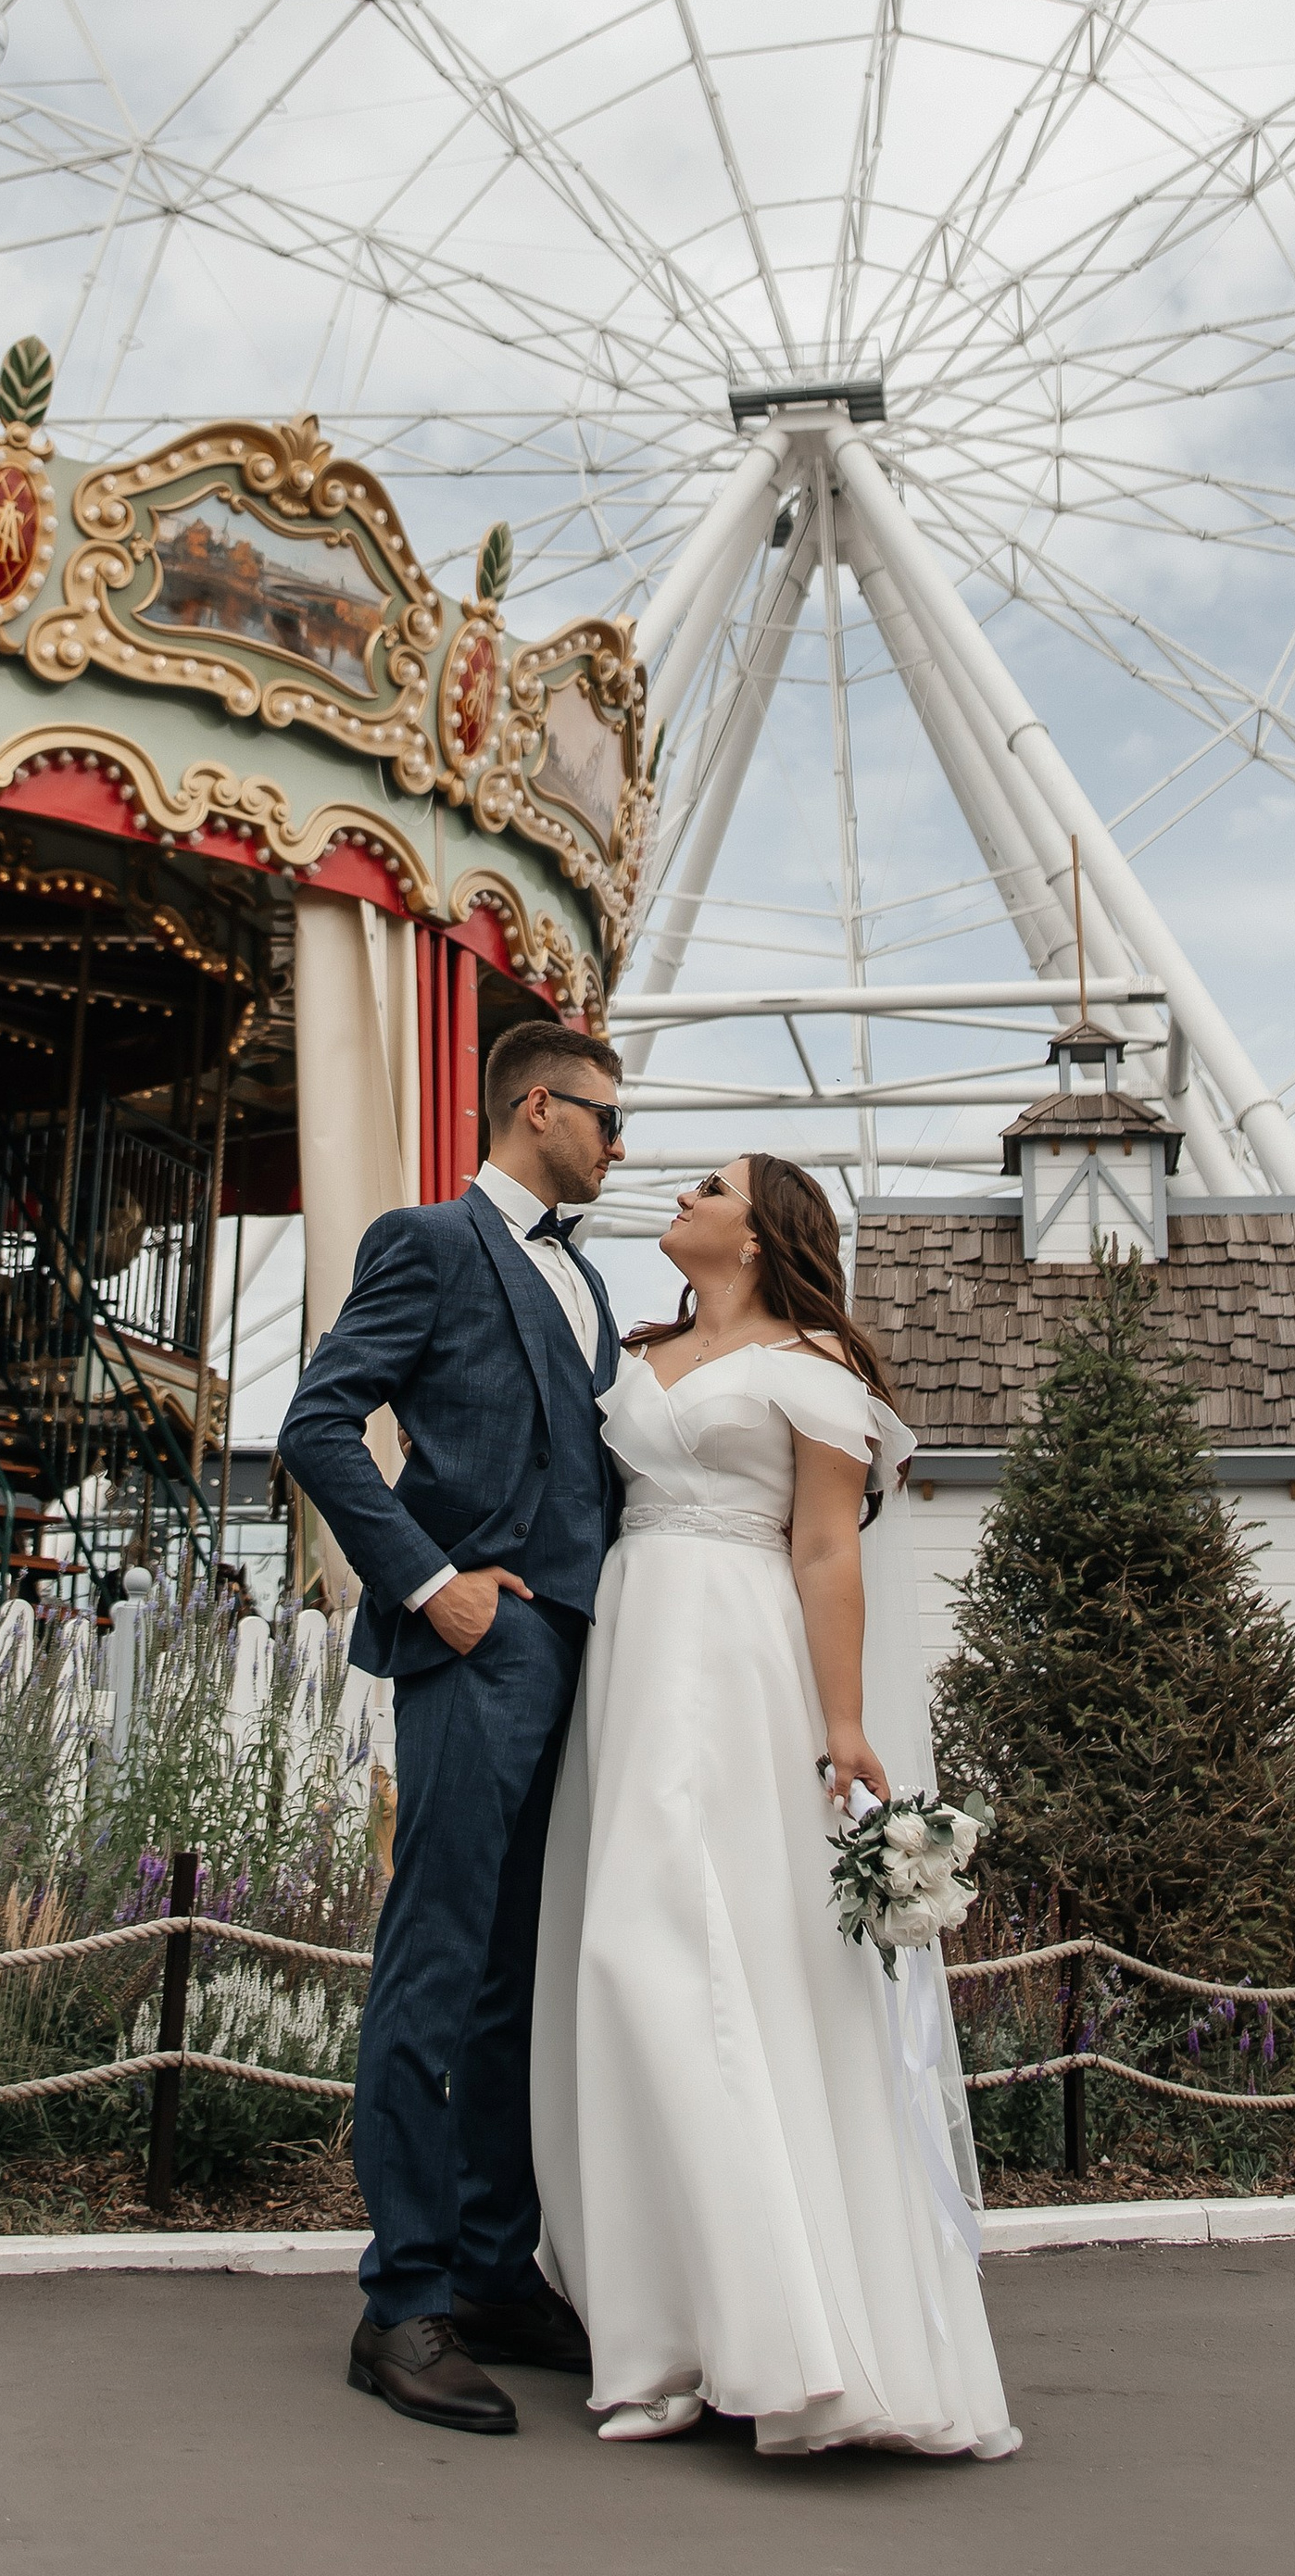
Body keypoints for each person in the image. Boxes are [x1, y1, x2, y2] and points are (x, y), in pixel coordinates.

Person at [532, 1154, 1020, 2460]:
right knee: (618, 1956)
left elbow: (823, 1547)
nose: (677, 1194)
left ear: (759, 1233)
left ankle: (776, 2328)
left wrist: (846, 1721)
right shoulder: (637, 1351)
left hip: (734, 1658)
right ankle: (662, 2333)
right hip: (628, 1658)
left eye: (710, 1185)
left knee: (681, 1950)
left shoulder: (812, 1366)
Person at [275, 1017, 627, 2435]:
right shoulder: (428, 1240)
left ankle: (489, 2261)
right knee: (435, 1960)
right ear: (536, 1106)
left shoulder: (593, 1276)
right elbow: (318, 1422)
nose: (621, 1143)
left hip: (584, 1654)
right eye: (608, 1117)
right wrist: (430, 1582)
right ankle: (402, 2296)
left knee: (513, 1974)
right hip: (478, 1644)